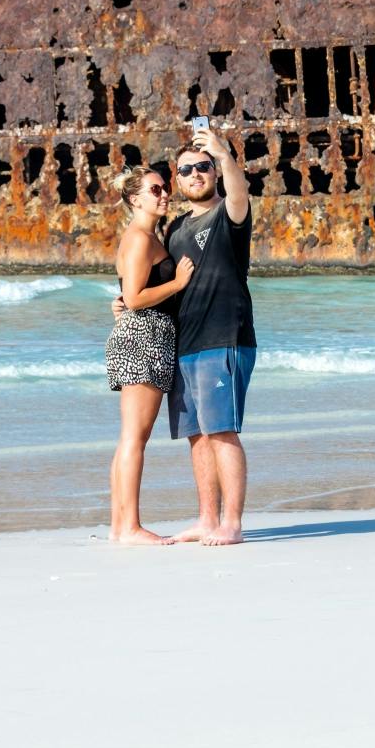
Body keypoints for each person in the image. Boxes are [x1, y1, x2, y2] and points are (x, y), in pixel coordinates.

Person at [116, 126, 257, 545]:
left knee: (221, 431)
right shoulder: (174, 229)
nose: (195, 174)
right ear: (177, 179)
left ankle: (232, 522)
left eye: (203, 167)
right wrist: (125, 302)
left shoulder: (228, 214)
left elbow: (238, 191)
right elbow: (155, 282)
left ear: (214, 172)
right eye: (186, 170)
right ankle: (207, 519)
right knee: (196, 435)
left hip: (223, 336)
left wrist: (222, 152)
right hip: (183, 344)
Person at [103, 167, 196, 545]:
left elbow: (126, 296)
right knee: (134, 439)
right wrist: (178, 282)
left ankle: (118, 526)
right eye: (155, 189)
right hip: (144, 336)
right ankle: (130, 528)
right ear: (134, 199)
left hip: (143, 335)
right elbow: (137, 298)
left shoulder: (143, 237)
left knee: (129, 438)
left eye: (165, 188)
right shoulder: (140, 238)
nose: (164, 195)